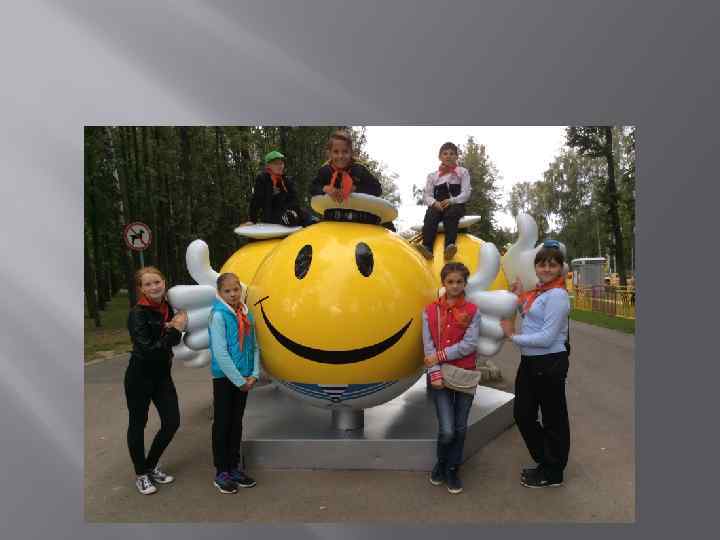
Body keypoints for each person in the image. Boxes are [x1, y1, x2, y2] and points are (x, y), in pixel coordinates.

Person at [500, 240, 571, 488]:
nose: (547, 269)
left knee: (553, 418)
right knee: (523, 414)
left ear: (560, 268)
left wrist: (512, 337)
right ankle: (546, 460)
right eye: (542, 264)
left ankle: (553, 471)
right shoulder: (540, 293)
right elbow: (531, 318)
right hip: (531, 362)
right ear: (536, 268)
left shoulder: (558, 295)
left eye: (552, 265)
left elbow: (547, 337)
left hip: (549, 362)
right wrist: (520, 296)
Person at [125, 266, 187, 495]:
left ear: (164, 282)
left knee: (172, 422)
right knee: (137, 424)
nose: (154, 287)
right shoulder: (137, 314)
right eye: (148, 284)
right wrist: (175, 330)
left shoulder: (170, 307)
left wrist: (178, 325)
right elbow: (149, 350)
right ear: (141, 289)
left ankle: (150, 465)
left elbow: (176, 339)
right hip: (139, 377)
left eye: (157, 282)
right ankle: (141, 474)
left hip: (162, 377)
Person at [422, 262, 482, 494]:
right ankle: (441, 462)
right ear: (443, 283)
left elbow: (470, 344)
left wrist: (440, 355)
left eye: (459, 282)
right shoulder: (429, 311)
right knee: (447, 429)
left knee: (460, 428)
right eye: (450, 281)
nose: (455, 286)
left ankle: (452, 469)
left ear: (465, 284)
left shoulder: (473, 311)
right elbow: (427, 345)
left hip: (464, 374)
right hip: (440, 376)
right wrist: (434, 371)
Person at [208, 272, 261, 494]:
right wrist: (239, 380)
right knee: (223, 423)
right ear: (219, 293)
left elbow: (254, 346)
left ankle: (234, 466)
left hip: (245, 378)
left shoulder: (246, 315)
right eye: (227, 291)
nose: (232, 294)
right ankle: (222, 471)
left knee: (236, 423)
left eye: (236, 289)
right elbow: (220, 352)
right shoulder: (218, 316)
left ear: (241, 290)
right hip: (225, 378)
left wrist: (254, 373)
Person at [416, 142, 471, 261]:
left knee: (451, 213)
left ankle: (449, 247)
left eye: (452, 153)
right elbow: (427, 195)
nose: (448, 156)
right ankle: (427, 247)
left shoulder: (462, 172)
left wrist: (452, 201)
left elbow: (466, 193)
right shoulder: (432, 176)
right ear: (440, 157)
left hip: (455, 205)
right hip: (438, 206)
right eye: (445, 154)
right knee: (431, 214)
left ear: (456, 156)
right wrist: (434, 203)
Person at [310, 130, 382, 202]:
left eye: (345, 152)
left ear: (351, 153)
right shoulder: (325, 171)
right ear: (329, 154)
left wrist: (355, 189)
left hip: (357, 207)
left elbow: (377, 189)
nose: (340, 156)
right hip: (332, 208)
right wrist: (325, 189)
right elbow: (312, 188)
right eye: (336, 152)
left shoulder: (359, 170)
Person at [248, 150, 310, 227]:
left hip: (288, 211)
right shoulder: (262, 179)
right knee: (290, 218)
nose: (280, 166)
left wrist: (294, 211)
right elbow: (256, 200)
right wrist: (252, 220)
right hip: (272, 216)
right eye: (276, 164)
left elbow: (294, 199)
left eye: (281, 163)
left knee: (307, 216)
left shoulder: (286, 179)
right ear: (268, 166)